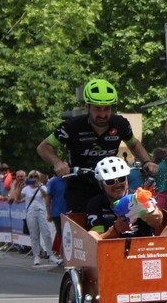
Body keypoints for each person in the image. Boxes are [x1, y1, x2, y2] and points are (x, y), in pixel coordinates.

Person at [37, 79, 158, 215]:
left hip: (112, 185)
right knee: (80, 225)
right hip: (81, 186)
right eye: (97, 109)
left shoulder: (120, 124)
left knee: (128, 219)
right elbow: (43, 147)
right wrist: (57, 163)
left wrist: (147, 161)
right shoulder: (72, 126)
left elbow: (134, 144)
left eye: (107, 108)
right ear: (87, 107)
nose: (102, 114)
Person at [84, 156, 167, 241]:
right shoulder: (96, 203)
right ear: (100, 184)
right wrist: (115, 230)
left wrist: (154, 215)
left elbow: (158, 221)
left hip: (146, 248)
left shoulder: (138, 195)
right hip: (112, 252)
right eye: (110, 181)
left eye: (121, 179)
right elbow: (95, 239)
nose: (117, 184)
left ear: (127, 179)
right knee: (91, 234)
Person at [15, 171, 52, 265]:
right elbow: (17, 200)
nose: (33, 178)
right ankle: (36, 256)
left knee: (46, 233)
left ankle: (50, 254)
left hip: (41, 211)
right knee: (34, 235)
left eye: (36, 176)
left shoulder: (42, 187)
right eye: (31, 176)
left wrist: (39, 187)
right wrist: (19, 189)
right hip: (31, 212)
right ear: (29, 178)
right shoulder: (26, 189)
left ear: (38, 177)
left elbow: (46, 197)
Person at [45, 171, 65, 264]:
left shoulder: (71, 180)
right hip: (57, 212)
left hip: (70, 211)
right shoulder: (53, 181)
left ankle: (64, 255)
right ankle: (61, 255)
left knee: (68, 235)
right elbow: (48, 197)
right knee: (61, 234)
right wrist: (48, 213)